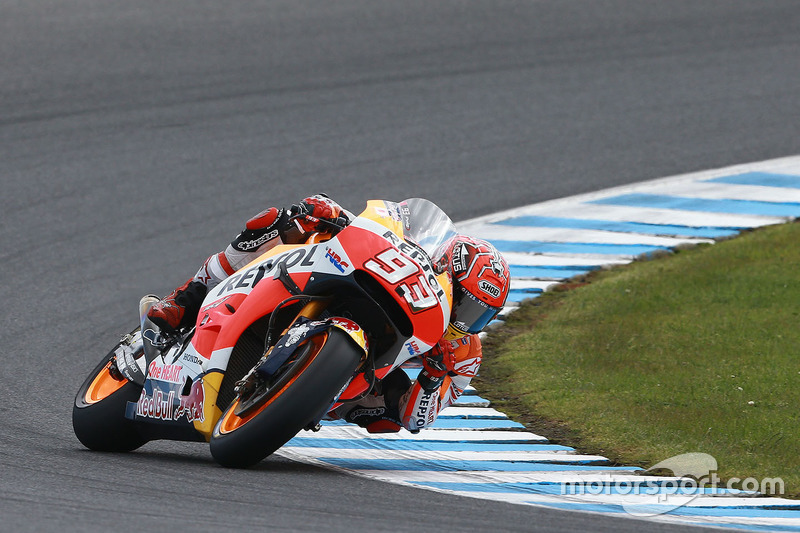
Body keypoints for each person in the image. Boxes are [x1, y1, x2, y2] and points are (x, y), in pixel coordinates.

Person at [147, 194, 511, 434]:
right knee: (275, 223)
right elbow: (372, 227)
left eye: (477, 315)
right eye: (463, 302)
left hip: (359, 383)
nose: (464, 320)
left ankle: (305, 390)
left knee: (389, 413)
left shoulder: (464, 352)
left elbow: (415, 419)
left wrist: (433, 378)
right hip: (354, 282)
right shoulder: (413, 257)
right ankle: (185, 298)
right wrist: (328, 213)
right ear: (446, 268)